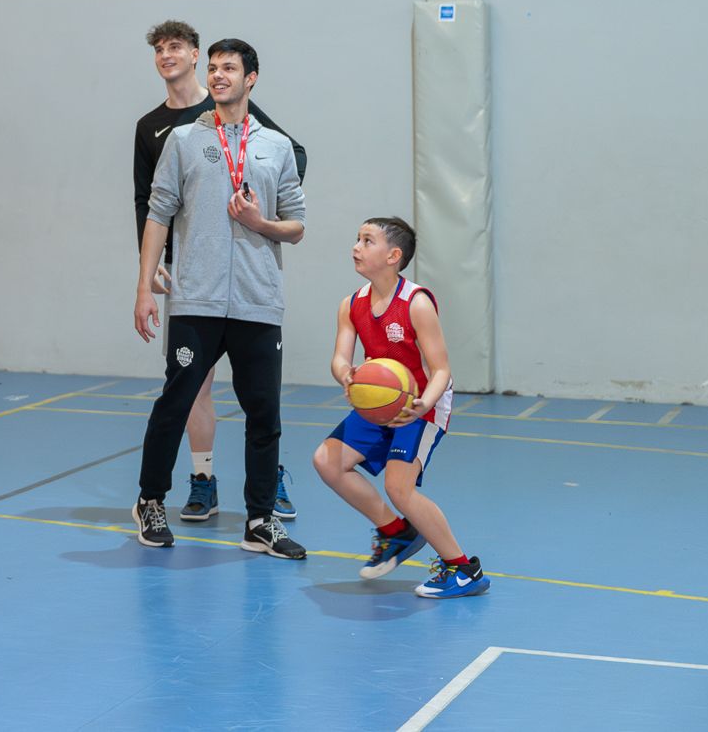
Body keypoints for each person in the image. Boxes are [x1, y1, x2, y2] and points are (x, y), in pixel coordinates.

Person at [132, 39, 307, 559]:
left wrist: (261, 223)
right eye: (213, 68)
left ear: (251, 78)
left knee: (264, 415)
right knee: (175, 402)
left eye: (229, 68)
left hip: (257, 301)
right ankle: (151, 500)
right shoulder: (184, 140)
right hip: (195, 300)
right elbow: (157, 213)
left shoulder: (275, 146)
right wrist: (145, 285)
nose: (218, 75)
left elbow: (296, 225)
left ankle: (259, 520)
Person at [311, 217, 488, 598]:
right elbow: (340, 358)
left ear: (393, 256)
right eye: (356, 238)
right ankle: (395, 531)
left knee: (399, 486)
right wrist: (346, 375)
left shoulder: (417, 303)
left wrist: (426, 401)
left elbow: (441, 368)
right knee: (327, 461)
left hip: (422, 403)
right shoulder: (351, 304)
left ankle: (463, 569)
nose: (356, 246)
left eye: (367, 240)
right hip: (379, 400)